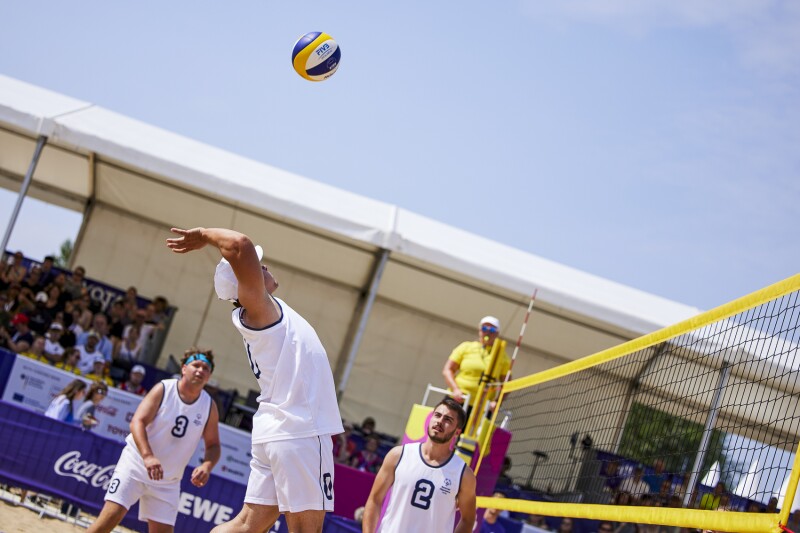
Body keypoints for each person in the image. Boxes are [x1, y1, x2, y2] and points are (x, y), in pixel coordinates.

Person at [166, 227, 343, 533]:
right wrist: (206, 236)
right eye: (257, 267)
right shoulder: (259, 308)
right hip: (299, 430)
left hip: (279, 429)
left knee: (247, 526)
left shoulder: (264, 312)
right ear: (244, 285)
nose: (263, 267)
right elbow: (239, 245)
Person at [87, 348, 221, 533]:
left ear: (209, 375)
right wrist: (148, 456)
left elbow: (213, 445)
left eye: (205, 368)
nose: (200, 370)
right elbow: (137, 422)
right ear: (183, 368)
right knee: (109, 519)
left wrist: (207, 465)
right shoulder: (164, 388)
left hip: (168, 480)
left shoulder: (209, 406)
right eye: (196, 365)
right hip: (136, 465)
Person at [362, 397, 477, 533]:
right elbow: (375, 499)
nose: (440, 421)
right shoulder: (398, 455)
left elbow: (468, 520)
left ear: (457, 431)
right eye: (437, 415)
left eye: (448, 419)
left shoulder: (463, 474)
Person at [442, 316, 510, 410]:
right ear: (479, 330)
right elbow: (447, 370)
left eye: (492, 329)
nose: (488, 332)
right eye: (484, 328)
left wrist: (497, 402)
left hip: (481, 407)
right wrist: (456, 389)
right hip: (458, 400)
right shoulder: (466, 347)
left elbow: (506, 383)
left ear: (497, 333)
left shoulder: (502, 356)